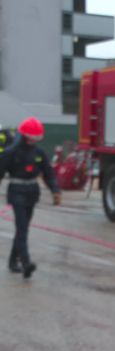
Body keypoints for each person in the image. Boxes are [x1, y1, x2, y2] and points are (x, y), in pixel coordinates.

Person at [0, 117, 61, 279]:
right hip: (17, 192)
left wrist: (56, 190)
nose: (33, 141)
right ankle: (26, 263)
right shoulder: (10, 153)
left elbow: (48, 173)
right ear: (25, 135)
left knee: (23, 227)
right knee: (22, 228)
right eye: (31, 138)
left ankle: (13, 262)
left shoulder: (39, 153)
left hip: (32, 192)